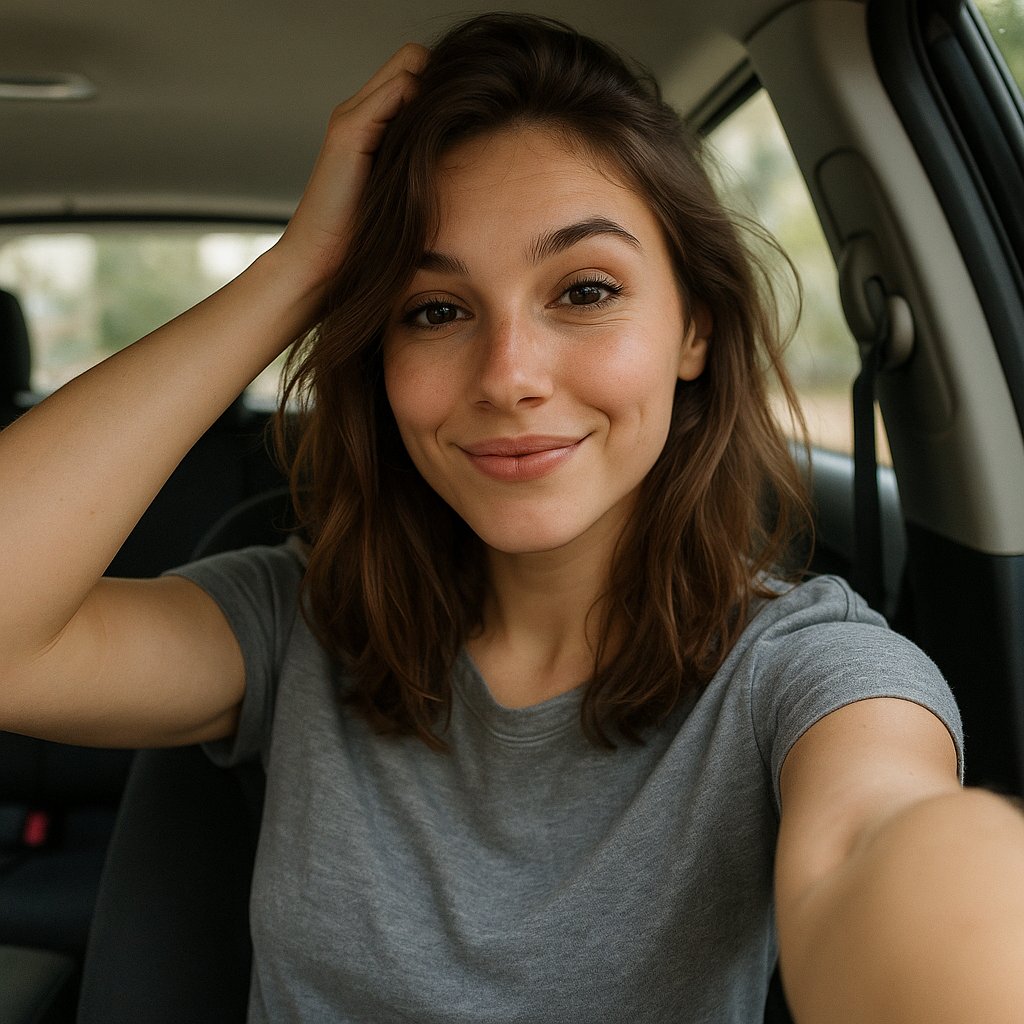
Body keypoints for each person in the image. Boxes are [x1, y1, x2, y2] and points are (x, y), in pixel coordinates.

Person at [1, 12, 1022, 1024]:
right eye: (434, 309)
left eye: (584, 290)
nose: (507, 376)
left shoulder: (807, 671)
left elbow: (877, 851)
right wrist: (297, 269)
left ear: (695, 328)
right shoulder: (297, 619)